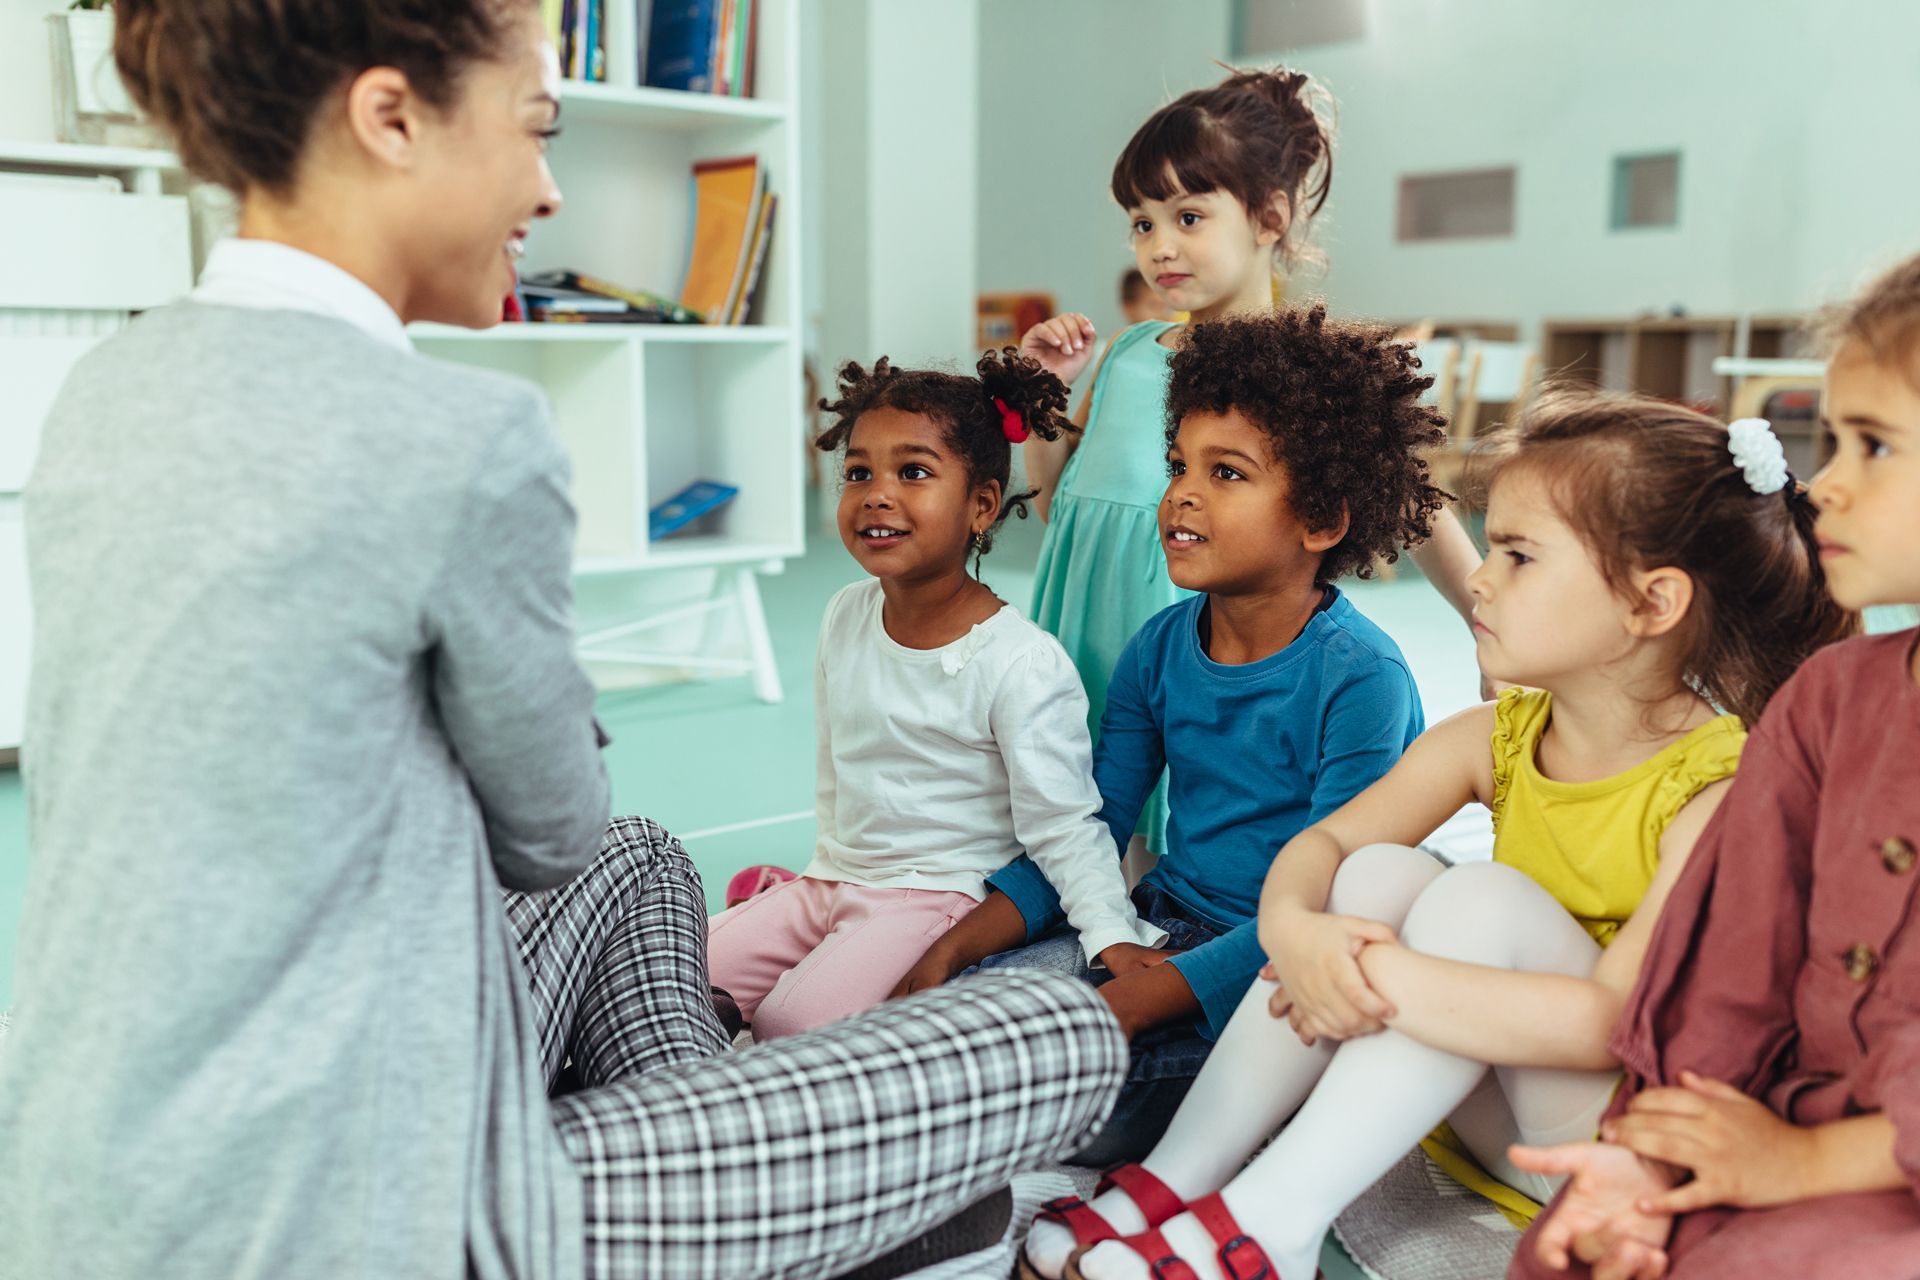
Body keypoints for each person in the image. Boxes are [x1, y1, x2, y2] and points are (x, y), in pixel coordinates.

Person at [0, 5, 1127, 1277]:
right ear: (391, 118)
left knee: (645, 853)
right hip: (375, 1212)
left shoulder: (109, 385)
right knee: (1058, 1030)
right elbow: (546, 820)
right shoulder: (461, 439)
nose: (544, 189)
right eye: (536, 132)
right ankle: (783, 1201)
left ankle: (724, 1147)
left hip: (95, 1182)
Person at [1027, 388, 1852, 1280]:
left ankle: (1275, 1219)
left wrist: (1364, 972)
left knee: (1477, 895)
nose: (1480, 579)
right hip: (1489, 1123)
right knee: (1380, 871)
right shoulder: (1497, 734)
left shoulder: (1723, 787)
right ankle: (1176, 1178)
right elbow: (1324, 852)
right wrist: (1302, 933)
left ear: (1651, 603)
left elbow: (1603, 1024)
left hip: (1614, 1143)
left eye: (1519, 555)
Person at [898, 308, 1441, 1170]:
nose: (1181, 493)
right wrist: (952, 951)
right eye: (1178, 466)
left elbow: (1337, 901)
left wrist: (1140, 1003)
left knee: (1052, 1105)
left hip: (1274, 971)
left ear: (1324, 520)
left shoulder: (1362, 678)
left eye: (1227, 473)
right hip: (1158, 924)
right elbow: (1091, 825)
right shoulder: (1159, 646)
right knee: (953, 1025)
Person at [1508, 254, 1920, 1280]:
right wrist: (1648, 1151)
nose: (1825, 483)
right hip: (1777, 1117)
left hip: (1878, 1170)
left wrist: (1809, 1158)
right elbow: (1733, 964)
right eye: (1834, 440)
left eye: (1875, 446)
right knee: (1575, 1250)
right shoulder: (1829, 700)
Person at [1019, 68, 1485, 864]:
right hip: (1086, 608)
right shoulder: (1129, 352)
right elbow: (1054, 499)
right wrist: (1042, 402)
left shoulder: (1301, 370)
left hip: (1184, 613)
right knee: (1088, 791)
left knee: (1166, 809)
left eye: (1188, 216)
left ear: (1268, 218)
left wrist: (1483, 614)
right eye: (1141, 223)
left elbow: (1412, 502)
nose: (1159, 245)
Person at [706, 350, 1167, 1040]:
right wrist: (816, 874)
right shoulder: (844, 614)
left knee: (791, 1024)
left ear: (980, 505)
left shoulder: (1020, 661)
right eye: (858, 472)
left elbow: (1066, 826)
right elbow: (837, 771)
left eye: (913, 472)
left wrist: (1109, 934)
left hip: (935, 896)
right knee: (669, 970)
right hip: (832, 880)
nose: (877, 493)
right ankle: (767, 925)